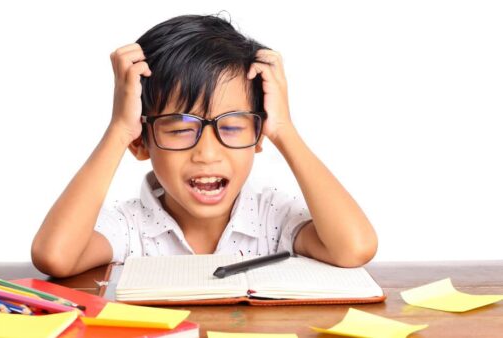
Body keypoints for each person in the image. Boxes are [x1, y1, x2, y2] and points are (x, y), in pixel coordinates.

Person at [31, 13, 377, 277]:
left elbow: (355, 248)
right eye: (181, 129)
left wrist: (284, 129)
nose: (208, 154)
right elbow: (56, 256)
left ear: (257, 134)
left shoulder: (272, 217)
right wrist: (120, 128)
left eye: (232, 126)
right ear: (141, 142)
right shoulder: (130, 226)